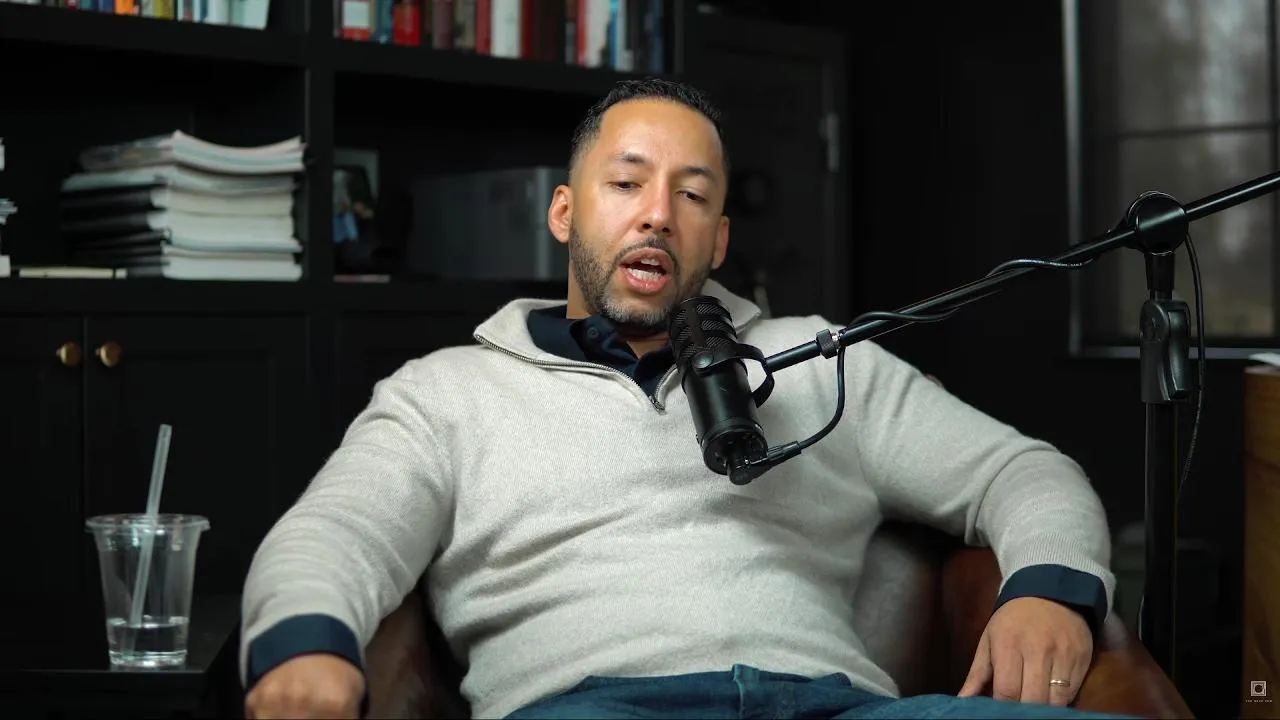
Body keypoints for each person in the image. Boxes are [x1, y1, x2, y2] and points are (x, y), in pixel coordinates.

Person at [240, 78, 1129, 720]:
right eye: (626, 183)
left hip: (833, 704)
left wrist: (1050, 589)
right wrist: (304, 646)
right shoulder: (448, 392)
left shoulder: (821, 361)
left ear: (719, 238)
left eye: (692, 195)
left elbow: (1021, 470)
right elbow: (338, 531)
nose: (658, 213)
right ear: (564, 213)